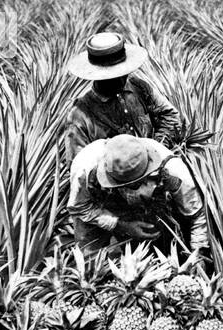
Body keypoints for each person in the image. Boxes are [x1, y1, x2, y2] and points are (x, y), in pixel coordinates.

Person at [68, 134, 207, 260]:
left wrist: (198, 253)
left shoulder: (172, 169)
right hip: (100, 203)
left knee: (155, 247)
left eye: (137, 182)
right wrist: (120, 225)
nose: (133, 186)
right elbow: (80, 208)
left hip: (146, 202)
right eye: (126, 184)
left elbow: (197, 213)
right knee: (90, 264)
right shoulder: (85, 169)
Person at [66, 32, 184, 160]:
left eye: (123, 72)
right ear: (97, 76)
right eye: (112, 76)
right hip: (110, 177)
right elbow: (78, 163)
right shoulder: (79, 114)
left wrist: (156, 148)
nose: (122, 78)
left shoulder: (139, 88)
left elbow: (170, 115)